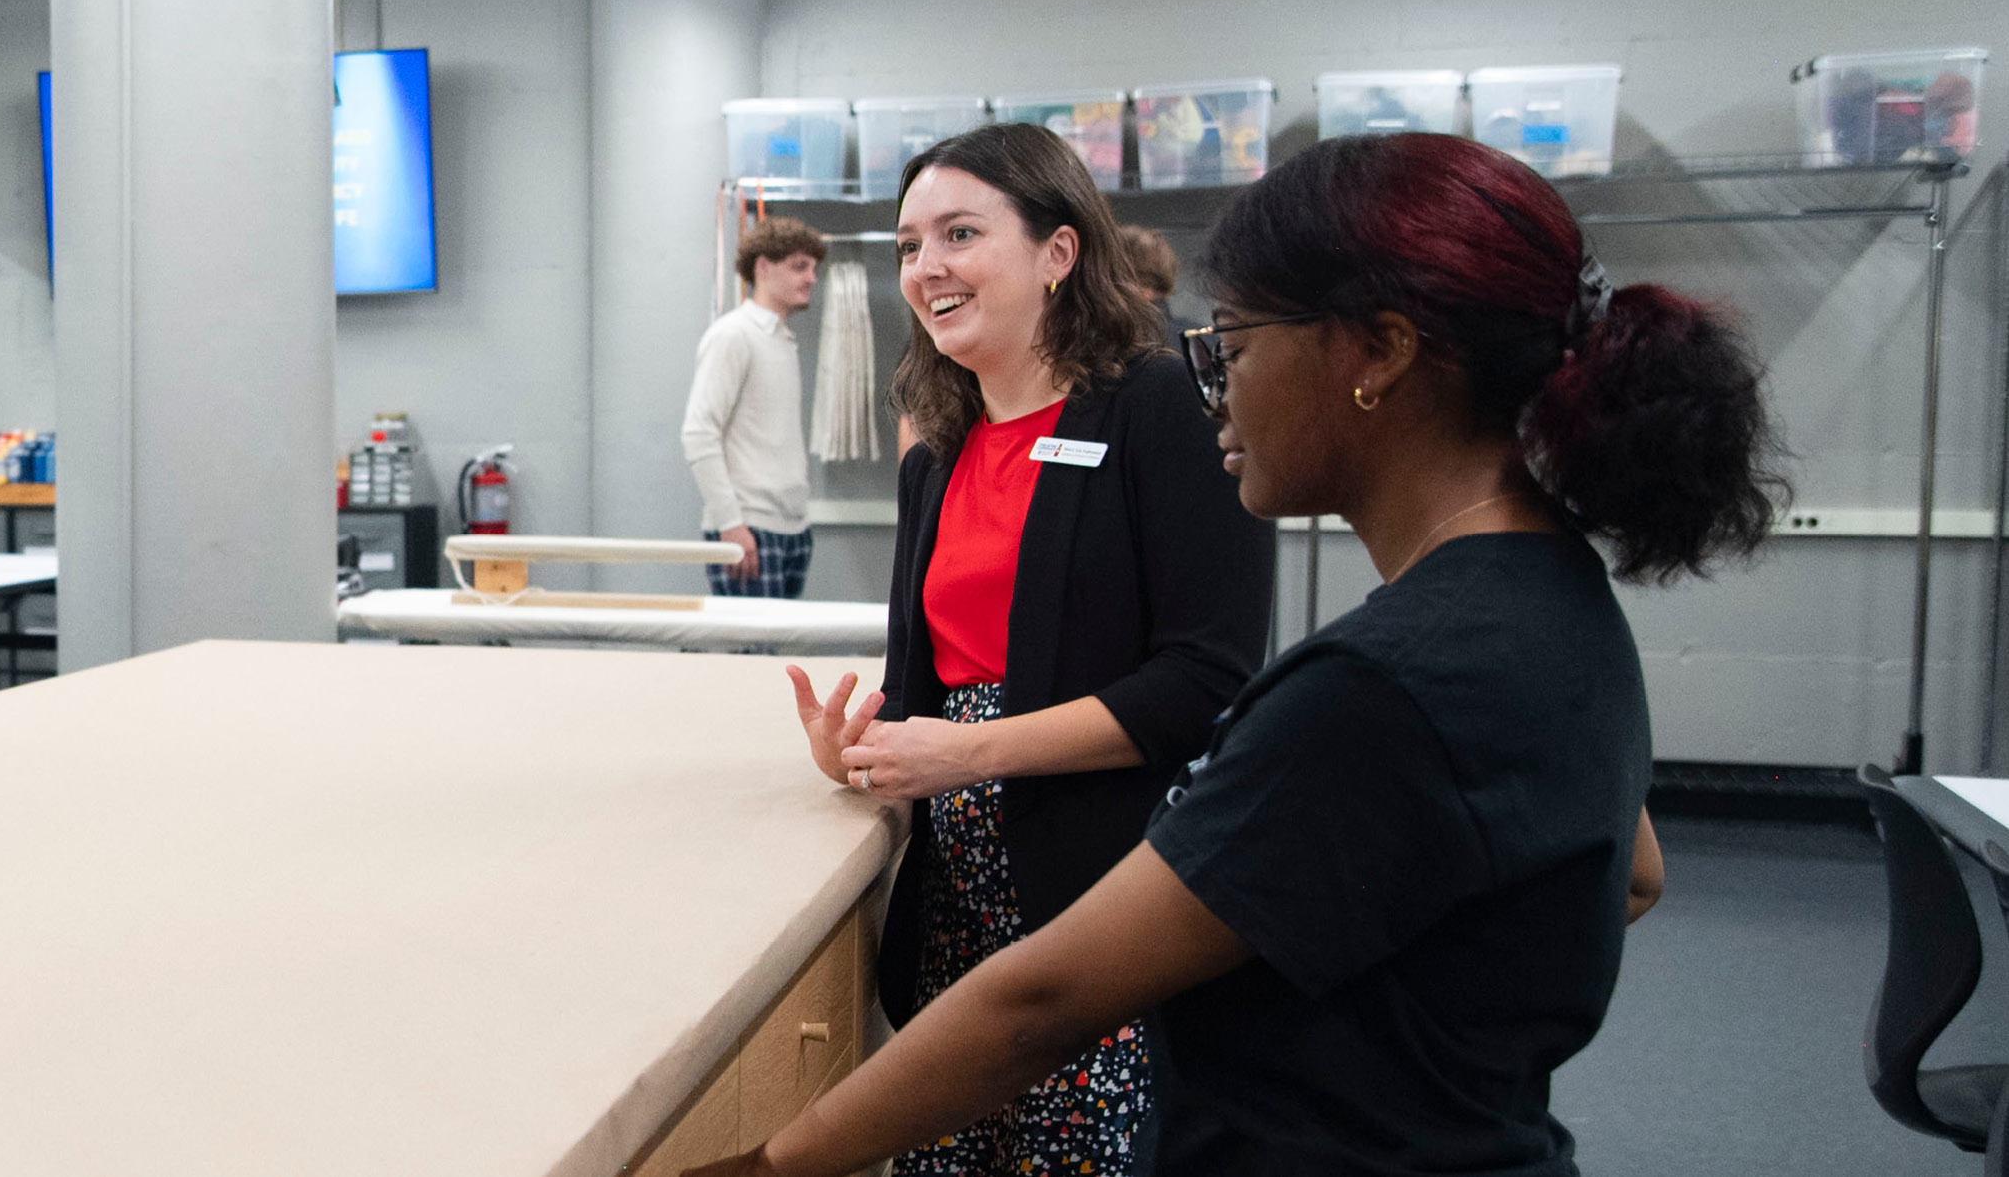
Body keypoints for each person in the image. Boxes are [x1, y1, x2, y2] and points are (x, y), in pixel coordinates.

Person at [706, 130, 1718, 1177]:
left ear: (1375, 353)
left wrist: (762, 1168)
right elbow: (1629, 873)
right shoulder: (1552, 604)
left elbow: (1038, 1006)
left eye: (1232, 346)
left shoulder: (1379, 687)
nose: (1216, 387)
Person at [784, 121, 1273, 1174]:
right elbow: (922, 694)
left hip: (1104, 898)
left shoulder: (1159, 408)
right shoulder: (939, 456)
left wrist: (971, 752)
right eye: (909, 245)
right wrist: (866, 753)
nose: (926, 269)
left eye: (959, 234)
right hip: (956, 903)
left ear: (1058, 252)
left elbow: (1205, 681)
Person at [683, 218, 822, 598]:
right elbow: (698, 434)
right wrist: (731, 524)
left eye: (813, 268)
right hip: (748, 528)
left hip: (791, 527)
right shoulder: (734, 335)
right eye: (799, 266)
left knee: (773, 656)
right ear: (762, 267)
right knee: (751, 657)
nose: (811, 277)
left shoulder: (781, 341)